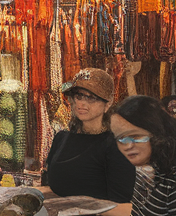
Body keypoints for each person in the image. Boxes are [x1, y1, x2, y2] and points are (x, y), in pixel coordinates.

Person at [41, 68, 136, 203]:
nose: (81, 103)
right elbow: (56, 189)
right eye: (78, 96)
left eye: (91, 98)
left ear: (107, 104)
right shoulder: (61, 139)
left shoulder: (117, 146)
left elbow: (123, 207)